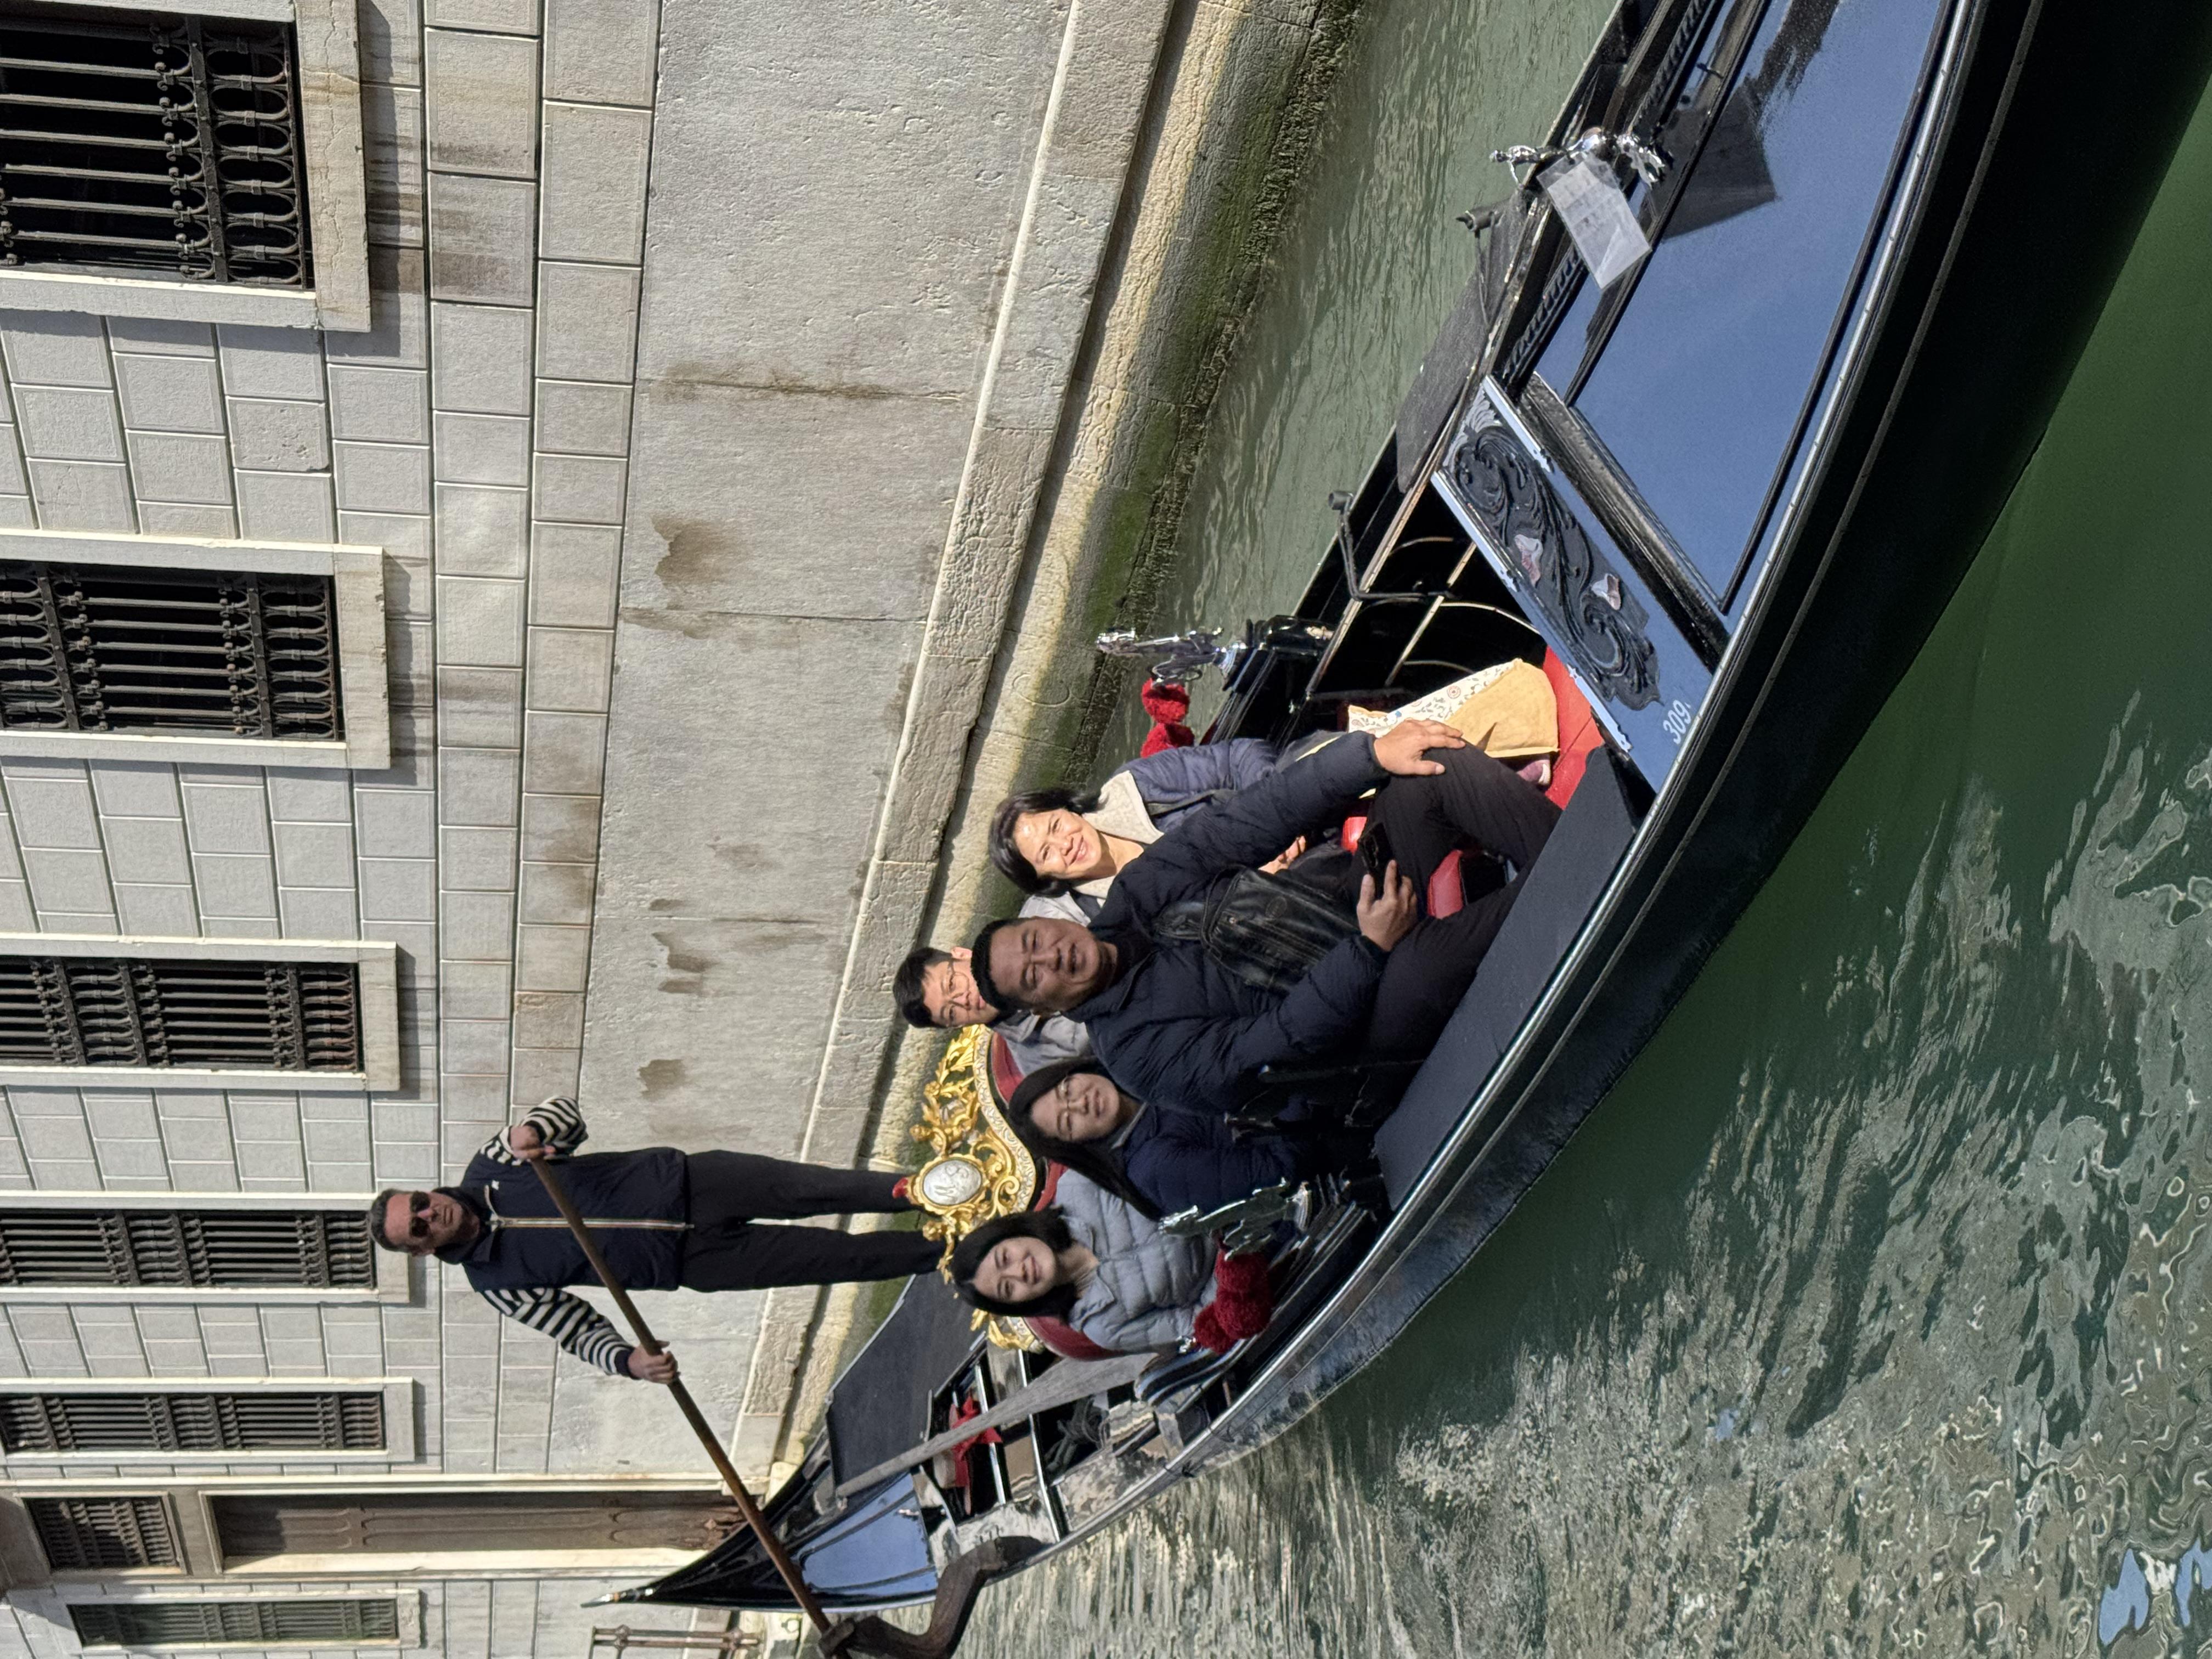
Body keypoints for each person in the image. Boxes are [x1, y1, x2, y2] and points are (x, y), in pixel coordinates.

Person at [966, 720, 1559, 1118]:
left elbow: (1252, 817)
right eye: (1034, 975)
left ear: (1047, 921)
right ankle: (1585, 870)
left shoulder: (1137, 891)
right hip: (1358, 1041)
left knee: (1425, 769)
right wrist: (1370, 951)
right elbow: (1280, 1045)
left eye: (1035, 941)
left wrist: (1370, 755)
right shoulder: (1135, 1055)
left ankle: (1577, 850)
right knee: (1422, 961)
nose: (1051, 955)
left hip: (1342, 918)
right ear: (1044, 1009)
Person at [368, 1098, 938, 1383]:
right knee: (842, 1259)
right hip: (695, 1262)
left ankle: (950, 1190)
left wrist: (535, 1130)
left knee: (834, 1189)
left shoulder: (494, 1163)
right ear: (421, 1250)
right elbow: (575, 1330)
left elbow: (566, 1116)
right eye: (418, 1227)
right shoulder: (496, 1284)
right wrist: (628, 1361)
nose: (430, 1213)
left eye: (419, 1202)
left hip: (698, 1182)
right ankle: (949, 1255)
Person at [947, 1172, 1274, 1355]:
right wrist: (1233, 1260)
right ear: (1021, 1305)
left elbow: (1161, 1167)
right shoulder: (1104, 1327)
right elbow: (1196, 1321)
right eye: (1008, 1288)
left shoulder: (1078, 1187)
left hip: (1232, 1182)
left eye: (1005, 1258)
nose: (1019, 1271)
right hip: (1259, 1264)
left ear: (1011, 1232)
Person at [1005, 1056, 1351, 1216]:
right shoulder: (1153, 1167)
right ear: (1077, 1145)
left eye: (1067, 1089)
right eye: (1068, 1122)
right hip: (1341, 1144)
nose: (1080, 1103)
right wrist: (1297, 1080)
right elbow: (1282, 1173)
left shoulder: (1140, 1066)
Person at [987, 737, 1286, 922]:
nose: (1065, 844)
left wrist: (1272, 816)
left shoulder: (1136, 784)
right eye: (1046, 854)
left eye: (1056, 826)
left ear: (1068, 808)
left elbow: (1238, 757)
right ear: (1043, 879)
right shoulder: (1110, 917)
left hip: (1286, 831)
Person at [893, 944, 1091, 1070]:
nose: (964, 1001)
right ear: (956, 1026)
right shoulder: (1038, 1061)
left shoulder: (1039, 923)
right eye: (952, 1013)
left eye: (952, 984)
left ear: (962, 954)